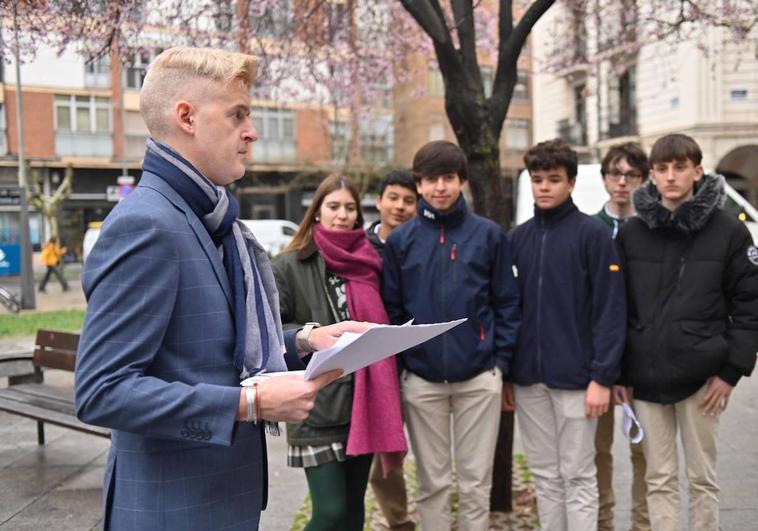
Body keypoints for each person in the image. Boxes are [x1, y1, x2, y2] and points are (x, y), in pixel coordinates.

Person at [74, 47, 366, 531]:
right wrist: (249, 403)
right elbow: (102, 391)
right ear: (186, 117)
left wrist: (305, 340)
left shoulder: (212, 220)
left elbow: (213, 346)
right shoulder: (147, 224)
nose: (251, 132)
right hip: (172, 508)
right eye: (237, 115)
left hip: (222, 499)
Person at [616, 133, 757, 531]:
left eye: (680, 167)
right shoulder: (631, 232)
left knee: (702, 478)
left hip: (704, 378)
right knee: (657, 479)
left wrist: (731, 372)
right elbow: (619, 308)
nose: (671, 176)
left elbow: (750, 305)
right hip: (645, 377)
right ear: (652, 176)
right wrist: (620, 374)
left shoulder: (729, 231)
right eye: (662, 169)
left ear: (697, 171)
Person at [382, 140, 520, 530]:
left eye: (448, 178)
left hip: (480, 377)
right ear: (419, 184)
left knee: (477, 482)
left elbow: (507, 304)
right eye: (430, 179)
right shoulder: (401, 242)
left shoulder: (489, 235)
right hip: (422, 380)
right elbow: (392, 311)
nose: (439, 187)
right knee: (433, 483)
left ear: (462, 181)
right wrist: (406, 364)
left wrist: (500, 364)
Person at [272, 175, 407, 531]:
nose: (342, 215)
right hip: (316, 406)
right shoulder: (288, 265)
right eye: (333, 207)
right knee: (330, 513)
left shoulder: (368, 263)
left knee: (352, 514)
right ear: (316, 213)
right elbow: (274, 332)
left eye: (350, 208)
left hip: (362, 404)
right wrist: (313, 334)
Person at [505, 138, 626, 531]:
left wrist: (602, 377)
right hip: (528, 379)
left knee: (577, 474)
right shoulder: (516, 240)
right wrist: (508, 373)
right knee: (544, 474)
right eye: (537, 179)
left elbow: (611, 311)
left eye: (553, 179)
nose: (543, 187)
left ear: (571, 183)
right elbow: (508, 310)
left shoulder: (593, 236)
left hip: (579, 379)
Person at [594, 143, 650, 531]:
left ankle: (643, 523)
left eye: (631, 175)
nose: (622, 182)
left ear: (643, 180)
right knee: (597, 451)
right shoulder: (590, 227)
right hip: (597, 360)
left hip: (644, 360)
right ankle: (603, 521)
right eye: (615, 173)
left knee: (644, 451)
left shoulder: (653, 227)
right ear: (603, 178)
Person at [365, 170, 417, 531]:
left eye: (408, 200)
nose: (399, 207)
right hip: (370, 359)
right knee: (378, 453)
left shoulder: (422, 241)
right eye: (393, 198)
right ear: (379, 200)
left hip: (414, 356)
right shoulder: (360, 245)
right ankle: (399, 520)